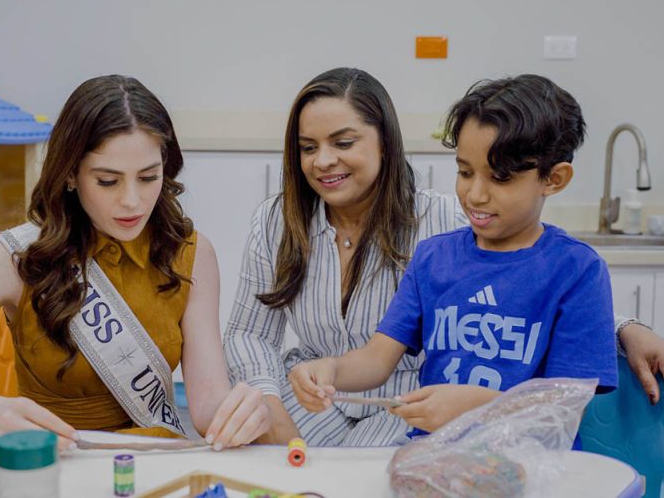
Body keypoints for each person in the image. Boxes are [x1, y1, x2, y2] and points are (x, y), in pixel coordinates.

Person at [224, 67, 664, 447]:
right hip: (409, 432)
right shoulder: (433, 254)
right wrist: (321, 372)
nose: (476, 194)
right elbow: (372, 356)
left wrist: (625, 328)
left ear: (385, 144)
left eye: (343, 142)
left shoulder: (460, 225)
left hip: (480, 437)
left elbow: (552, 339)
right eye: (465, 172)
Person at [0, 75, 269, 452]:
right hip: (54, 463)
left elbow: (208, 406)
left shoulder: (191, 254)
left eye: (148, 177)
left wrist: (243, 415)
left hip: (154, 463)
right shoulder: (16, 259)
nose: (132, 201)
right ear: (71, 174)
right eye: (108, 181)